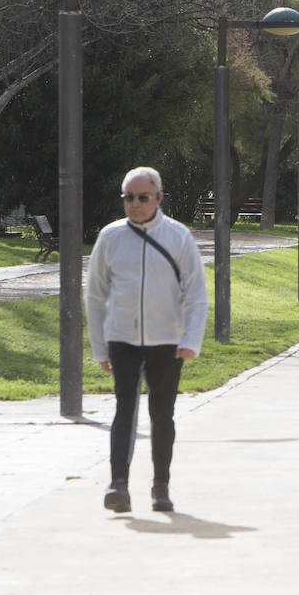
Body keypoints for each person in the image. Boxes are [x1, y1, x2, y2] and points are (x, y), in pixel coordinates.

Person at [87, 166, 208, 514]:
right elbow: (95, 296)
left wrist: (190, 339)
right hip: (122, 338)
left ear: (158, 198)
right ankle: (118, 486)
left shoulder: (178, 236)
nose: (135, 204)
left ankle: (160, 486)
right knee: (124, 409)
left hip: (166, 339)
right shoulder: (110, 237)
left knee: (162, 414)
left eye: (142, 197)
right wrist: (100, 347)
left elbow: (196, 293)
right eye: (128, 197)